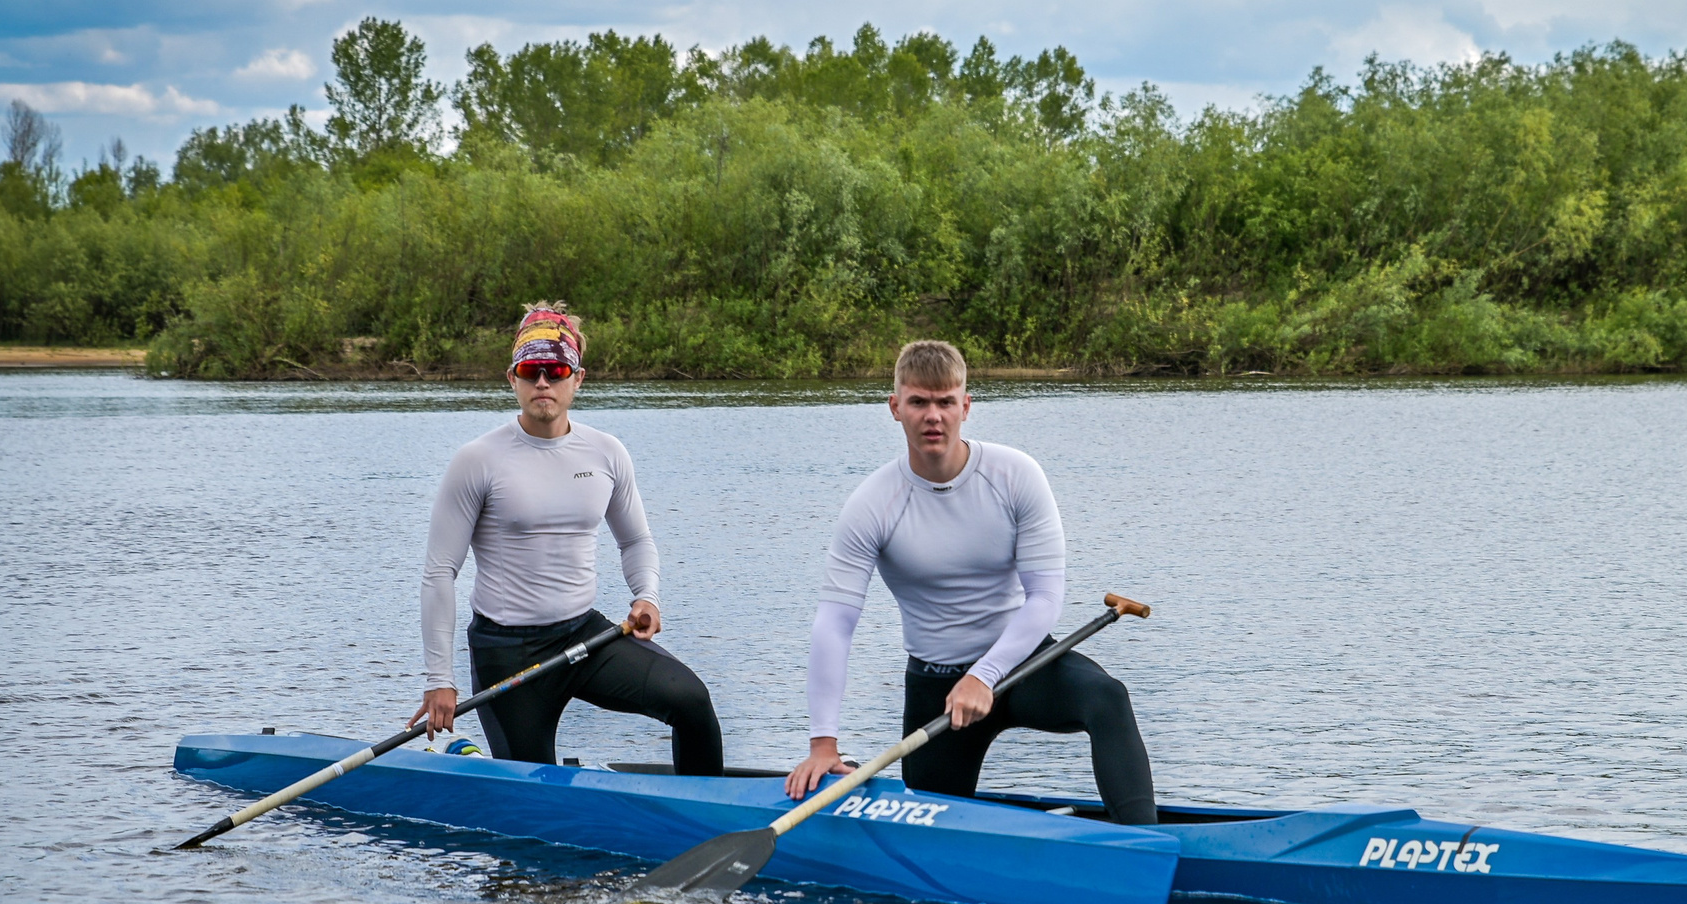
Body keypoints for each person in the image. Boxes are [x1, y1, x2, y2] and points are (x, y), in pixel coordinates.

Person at [784, 339, 1155, 822]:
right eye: (918, 402)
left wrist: (984, 674)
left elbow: (1044, 597)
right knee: (931, 823)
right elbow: (835, 623)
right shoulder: (872, 503)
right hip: (937, 688)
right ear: (895, 408)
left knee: (1107, 698)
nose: (932, 416)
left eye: (944, 402)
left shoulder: (1015, 475)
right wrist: (822, 743)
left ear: (966, 405)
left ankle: (1144, 844)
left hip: (1023, 664)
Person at [410, 304, 723, 773]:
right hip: (507, 653)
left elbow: (635, 540)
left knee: (692, 703)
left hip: (587, 638)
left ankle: (708, 821)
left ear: (577, 378)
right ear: (511, 378)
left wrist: (647, 597)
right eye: (531, 371)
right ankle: (474, 760)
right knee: (533, 796)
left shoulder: (606, 452)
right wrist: (440, 680)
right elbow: (439, 573)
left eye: (555, 371)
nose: (542, 383)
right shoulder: (477, 460)